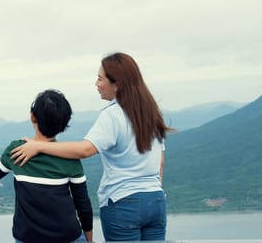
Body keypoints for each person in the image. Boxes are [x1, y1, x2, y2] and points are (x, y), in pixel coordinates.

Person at [11, 52, 175, 241]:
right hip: (156, 200)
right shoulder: (151, 112)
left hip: (123, 203)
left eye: (100, 78)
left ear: (117, 84)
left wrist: (38, 147)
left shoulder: (113, 115)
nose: (96, 84)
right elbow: (160, 162)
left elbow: (85, 150)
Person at [0, 89, 94, 243]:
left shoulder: (16, 150)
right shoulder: (70, 157)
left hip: (28, 238)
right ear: (64, 123)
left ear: (32, 117)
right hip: (68, 237)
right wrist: (89, 239)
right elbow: (83, 205)